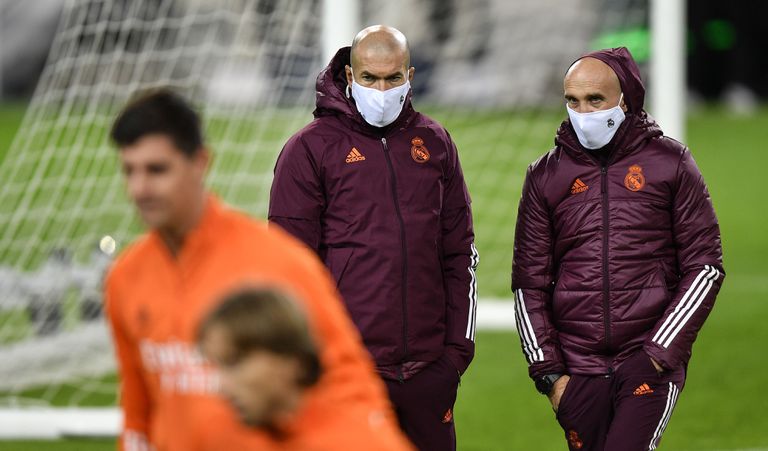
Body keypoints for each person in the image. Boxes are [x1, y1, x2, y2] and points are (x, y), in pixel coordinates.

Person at [105, 90, 406, 451]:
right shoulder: (125, 277)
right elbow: (139, 412)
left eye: (157, 170)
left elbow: (350, 387)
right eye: (129, 171)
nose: (140, 188)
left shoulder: (278, 263)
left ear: (200, 162)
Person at [268, 24, 478, 451]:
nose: (381, 89)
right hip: (348, 374)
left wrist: (455, 354)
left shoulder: (435, 143)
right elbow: (288, 271)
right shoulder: (308, 150)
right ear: (349, 76)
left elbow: (461, 255)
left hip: (428, 375)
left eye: (392, 77)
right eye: (369, 78)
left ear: (410, 76)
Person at [511, 47, 724, 451]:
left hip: (645, 359)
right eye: (572, 101)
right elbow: (528, 284)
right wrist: (551, 376)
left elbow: (705, 266)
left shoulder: (671, 163)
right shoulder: (544, 176)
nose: (583, 111)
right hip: (576, 369)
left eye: (595, 100)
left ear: (624, 98)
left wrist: (659, 352)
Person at [198, 286, 414, 450]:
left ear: (291, 361)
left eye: (236, 363)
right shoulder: (249, 434)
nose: (221, 387)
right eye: (218, 367)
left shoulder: (353, 442)